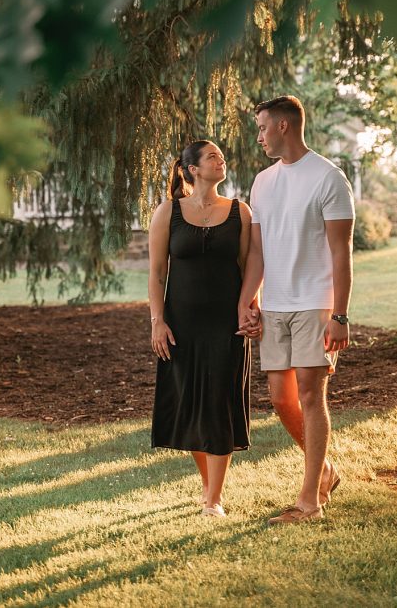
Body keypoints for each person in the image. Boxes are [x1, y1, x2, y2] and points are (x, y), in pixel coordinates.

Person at [237, 95, 354, 525]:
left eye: (263, 127)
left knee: (309, 393)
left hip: (315, 303)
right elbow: (258, 254)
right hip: (276, 306)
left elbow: (341, 252)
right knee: (280, 397)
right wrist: (247, 301)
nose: (259, 135)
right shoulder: (262, 182)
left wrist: (339, 314)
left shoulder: (328, 177)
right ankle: (326, 471)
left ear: (284, 126)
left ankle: (310, 502)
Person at [148, 140, 254, 518]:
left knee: (220, 404)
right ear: (192, 169)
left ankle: (213, 500)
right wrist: (157, 321)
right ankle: (209, 488)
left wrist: (249, 309)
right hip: (182, 326)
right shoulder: (168, 212)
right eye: (212, 157)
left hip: (227, 325)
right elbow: (158, 272)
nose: (220, 160)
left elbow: (248, 266)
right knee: (192, 406)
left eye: (222, 156)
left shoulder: (240, 212)